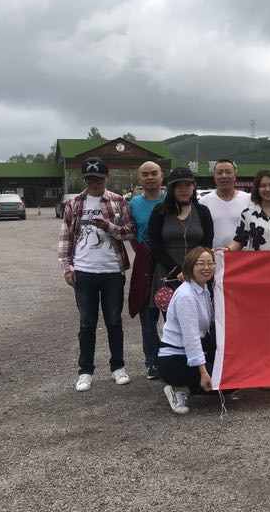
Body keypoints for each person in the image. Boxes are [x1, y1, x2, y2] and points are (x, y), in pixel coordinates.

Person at [58, 156, 135, 392]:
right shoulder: (73, 203)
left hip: (112, 270)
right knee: (86, 323)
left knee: (114, 321)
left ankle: (118, 367)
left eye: (98, 179)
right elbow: (66, 236)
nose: (94, 183)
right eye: (90, 179)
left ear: (106, 178)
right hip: (84, 271)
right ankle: (85, 371)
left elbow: (129, 232)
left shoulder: (119, 201)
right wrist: (67, 267)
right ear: (84, 179)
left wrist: (107, 226)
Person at [158, 246, 217, 415]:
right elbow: (191, 338)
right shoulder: (186, 295)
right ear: (191, 266)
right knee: (224, 382)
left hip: (197, 349)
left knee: (231, 377)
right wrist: (203, 373)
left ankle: (188, 384)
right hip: (176, 359)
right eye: (201, 264)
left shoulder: (203, 288)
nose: (206, 267)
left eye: (210, 263)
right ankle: (180, 388)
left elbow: (211, 322)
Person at [148, 168, 214, 304]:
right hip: (167, 272)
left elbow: (207, 243)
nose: (183, 190)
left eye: (187, 185)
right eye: (178, 186)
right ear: (171, 188)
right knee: (171, 315)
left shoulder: (202, 211)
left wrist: (191, 269)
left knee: (199, 313)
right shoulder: (160, 211)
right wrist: (175, 270)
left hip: (197, 272)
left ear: (194, 186)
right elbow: (155, 243)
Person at [127, 161, 165, 380]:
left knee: (172, 314)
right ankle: (152, 361)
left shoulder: (170, 200)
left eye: (154, 173)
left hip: (167, 263)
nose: (150, 178)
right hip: (145, 263)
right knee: (148, 318)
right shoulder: (133, 204)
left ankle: (173, 358)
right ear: (139, 178)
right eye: (145, 174)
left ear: (161, 176)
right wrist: (142, 253)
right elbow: (131, 233)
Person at [198, 159, 250, 248]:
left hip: (242, 255)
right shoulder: (204, 202)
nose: (224, 176)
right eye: (219, 173)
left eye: (228, 172)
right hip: (214, 254)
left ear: (235, 176)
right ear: (214, 177)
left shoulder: (248, 199)